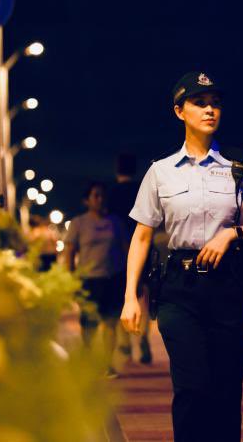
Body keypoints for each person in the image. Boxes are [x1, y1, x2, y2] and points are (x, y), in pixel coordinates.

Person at [120, 71, 243, 442]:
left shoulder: (240, 166)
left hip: (230, 288)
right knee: (191, 388)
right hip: (179, 291)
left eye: (215, 104)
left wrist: (231, 233)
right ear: (179, 111)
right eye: (199, 103)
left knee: (226, 392)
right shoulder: (160, 172)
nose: (210, 110)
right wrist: (130, 296)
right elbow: (142, 236)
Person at [63, 181, 127, 377]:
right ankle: (90, 361)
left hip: (112, 278)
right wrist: (70, 278)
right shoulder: (79, 223)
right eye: (95, 195)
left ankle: (107, 364)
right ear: (87, 200)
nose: (100, 199)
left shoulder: (115, 222)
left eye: (102, 195)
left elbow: (126, 249)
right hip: (89, 280)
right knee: (89, 325)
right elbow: (69, 252)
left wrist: (132, 278)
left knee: (111, 323)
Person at [107, 153, 152, 365]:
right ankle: (142, 337)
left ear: (117, 169)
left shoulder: (110, 193)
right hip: (142, 248)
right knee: (144, 298)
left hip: (116, 254)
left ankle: (124, 341)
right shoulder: (140, 190)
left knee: (121, 297)